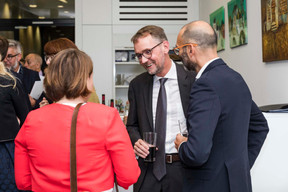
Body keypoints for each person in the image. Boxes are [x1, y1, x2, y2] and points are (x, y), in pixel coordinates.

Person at [14, 48, 140, 192]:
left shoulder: (33, 118)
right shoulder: (107, 116)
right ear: (87, 78)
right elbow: (128, 175)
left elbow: (23, 181)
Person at [174, 20, 269, 192]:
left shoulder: (205, 84)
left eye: (178, 49)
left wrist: (182, 145)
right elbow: (260, 126)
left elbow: (196, 154)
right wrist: (238, 168)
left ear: (190, 49)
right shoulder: (236, 78)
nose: (179, 55)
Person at [126, 25, 196, 192]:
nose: (143, 60)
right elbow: (132, 126)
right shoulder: (137, 85)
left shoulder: (193, 80)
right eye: (139, 55)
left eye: (147, 52)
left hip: (184, 171)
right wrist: (136, 141)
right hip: (148, 173)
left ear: (165, 46)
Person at [0, 36, 29, 191]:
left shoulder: (10, 81)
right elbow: (25, 117)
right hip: (7, 146)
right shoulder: (10, 81)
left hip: (7, 145)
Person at [39, 37, 100, 107]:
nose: (47, 62)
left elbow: (90, 113)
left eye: (52, 57)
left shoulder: (82, 84)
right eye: (47, 57)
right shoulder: (58, 82)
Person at [4, 39, 40, 109]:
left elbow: (43, 99)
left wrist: (34, 103)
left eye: (9, 56)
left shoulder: (32, 75)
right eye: (3, 56)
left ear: (19, 57)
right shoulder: (1, 75)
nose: (5, 60)